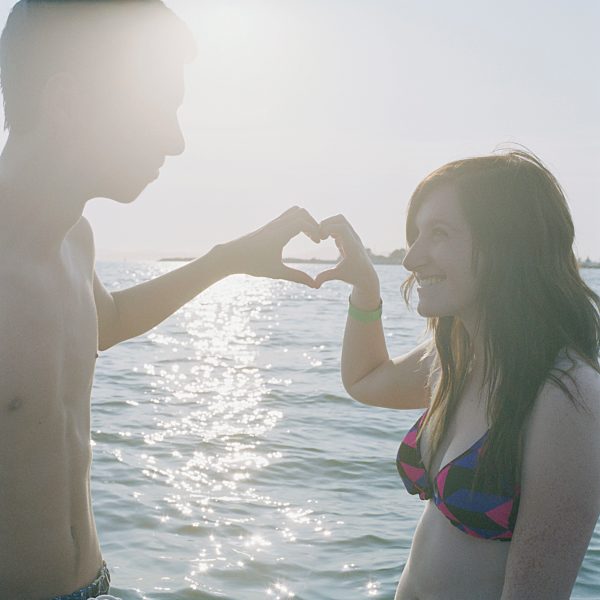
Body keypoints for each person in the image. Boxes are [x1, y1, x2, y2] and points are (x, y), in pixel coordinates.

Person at [0, 1, 320, 598]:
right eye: (158, 108)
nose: (175, 141)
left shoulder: (73, 239)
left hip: (94, 584)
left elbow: (106, 321)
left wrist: (228, 259)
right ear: (68, 103)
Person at [315, 149, 600, 599]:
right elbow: (366, 381)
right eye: (416, 235)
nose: (410, 259)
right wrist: (366, 289)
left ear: (509, 243)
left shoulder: (567, 396)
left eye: (439, 234)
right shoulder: (460, 357)